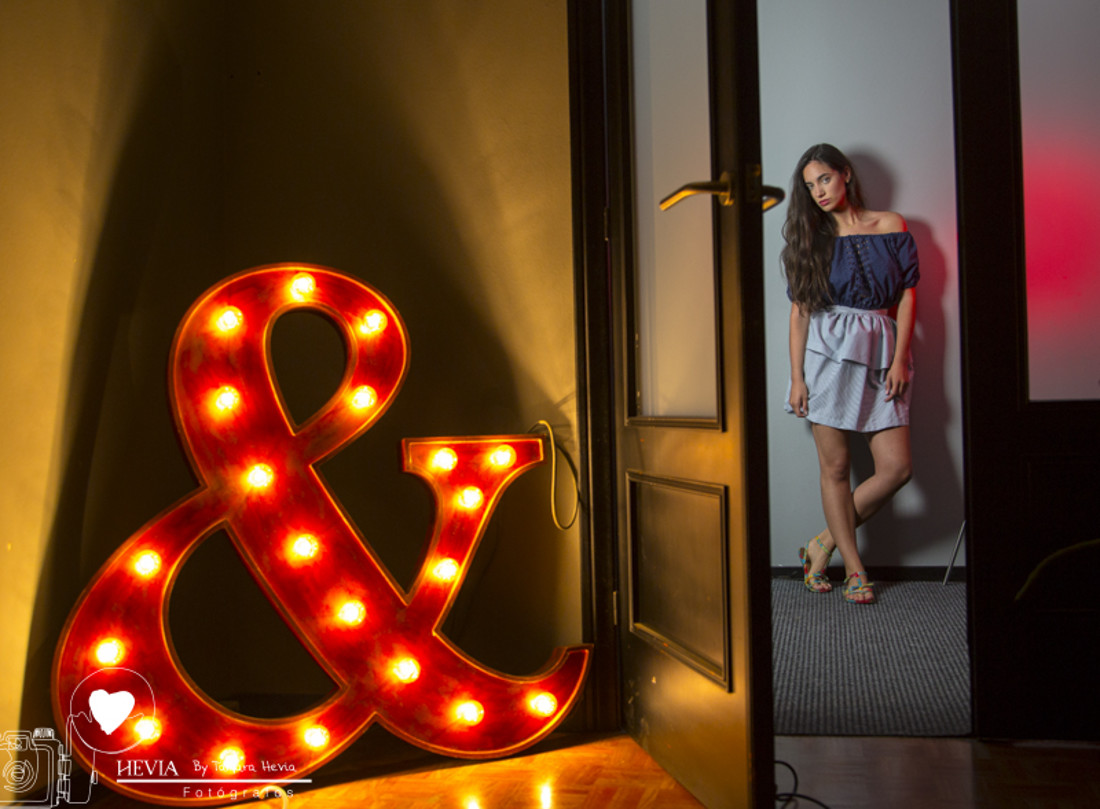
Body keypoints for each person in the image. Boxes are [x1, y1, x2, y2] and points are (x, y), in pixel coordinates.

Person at [781, 143, 918, 605]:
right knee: (836, 467)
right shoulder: (811, 239)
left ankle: (821, 544)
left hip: (882, 351)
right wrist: (797, 377)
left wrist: (899, 357)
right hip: (826, 356)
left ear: (845, 174)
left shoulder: (892, 224)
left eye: (824, 179)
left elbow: (908, 295)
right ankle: (856, 570)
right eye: (810, 186)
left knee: (897, 469)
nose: (819, 192)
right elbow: (800, 314)